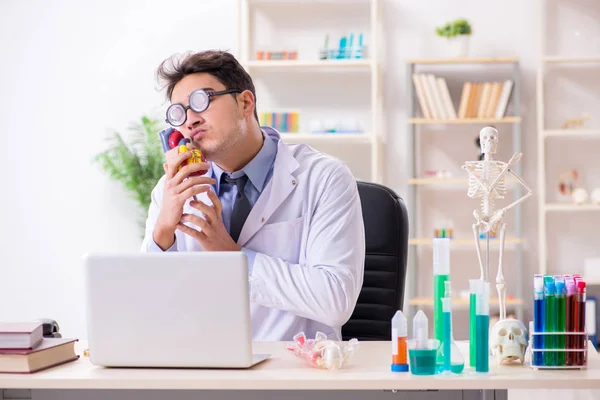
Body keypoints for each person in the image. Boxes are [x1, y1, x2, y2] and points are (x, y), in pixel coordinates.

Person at [141, 50, 365, 341]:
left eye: (201, 101)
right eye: (179, 112)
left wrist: (232, 257)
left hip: (294, 372)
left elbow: (335, 300)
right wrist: (162, 233)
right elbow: (151, 307)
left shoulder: (324, 178)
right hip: (205, 368)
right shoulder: (170, 190)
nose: (190, 121)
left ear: (245, 103)